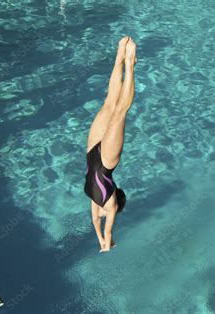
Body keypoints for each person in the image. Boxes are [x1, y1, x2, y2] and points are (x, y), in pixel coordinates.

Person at [84, 36, 137, 252]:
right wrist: (106, 243)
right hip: (103, 160)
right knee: (120, 111)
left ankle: (119, 57)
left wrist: (102, 240)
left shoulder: (97, 204)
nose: (103, 216)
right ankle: (130, 63)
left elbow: (97, 223)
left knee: (109, 103)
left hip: (92, 153)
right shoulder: (110, 204)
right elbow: (106, 229)